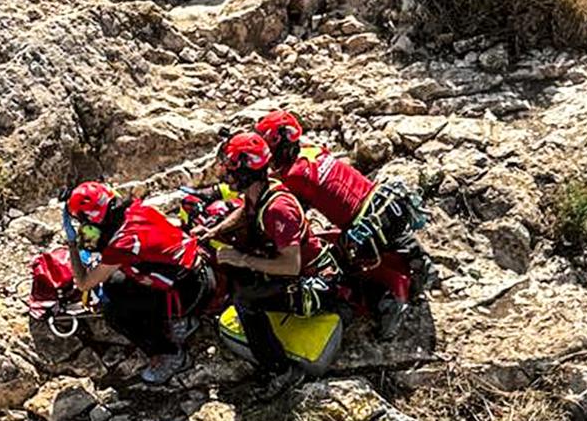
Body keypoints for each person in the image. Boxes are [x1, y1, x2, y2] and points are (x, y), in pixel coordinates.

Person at [254, 109, 430, 339]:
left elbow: (282, 206)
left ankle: (385, 300)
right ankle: (418, 263)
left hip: (365, 227)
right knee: (353, 236)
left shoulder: (292, 176)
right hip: (385, 204)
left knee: (333, 267)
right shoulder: (313, 151)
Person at [201, 133, 341, 391]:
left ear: (246, 172)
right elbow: (246, 212)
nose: (226, 174)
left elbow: (290, 266)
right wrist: (215, 231)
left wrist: (242, 259)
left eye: (231, 169)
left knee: (246, 302)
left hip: (316, 283)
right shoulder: (261, 191)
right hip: (302, 272)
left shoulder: (278, 210)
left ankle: (281, 370)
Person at [63, 181, 213, 385]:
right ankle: (180, 321)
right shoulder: (137, 210)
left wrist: (72, 243)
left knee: (114, 312)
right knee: (114, 283)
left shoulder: (122, 245)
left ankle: (170, 354)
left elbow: (84, 284)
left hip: (190, 293)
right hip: (197, 274)